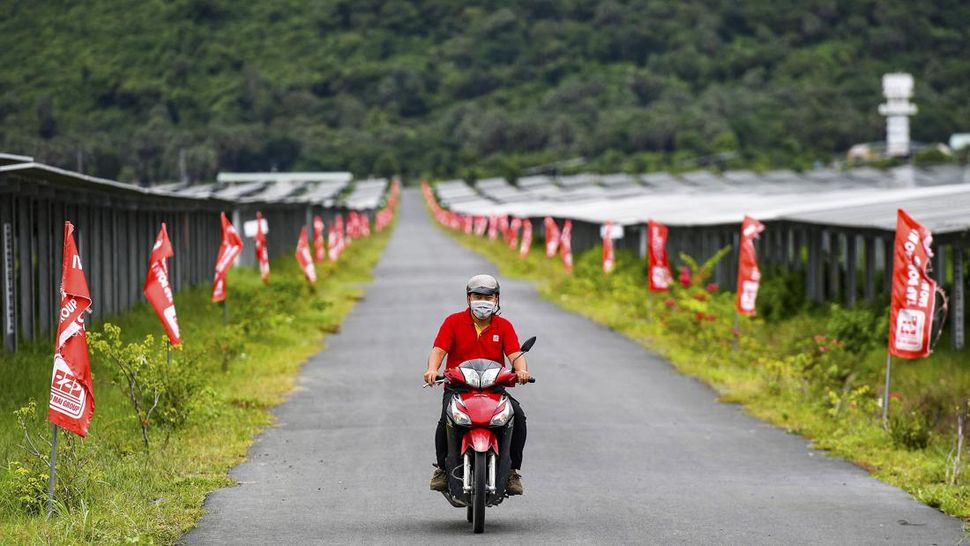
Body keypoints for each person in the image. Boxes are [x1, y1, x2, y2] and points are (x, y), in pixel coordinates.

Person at [425, 274, 530, 495]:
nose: (483, 301)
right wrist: (433, 369)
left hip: (494, 388)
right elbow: (438, 350)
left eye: (488, 296)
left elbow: (515, 354)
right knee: (446, 419)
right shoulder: (453, 321)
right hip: (459, 388)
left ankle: (512, 471)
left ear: (496, 300)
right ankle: (442, 469)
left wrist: (521, 371)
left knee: (517, 417)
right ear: (468, 298)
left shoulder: (503, 326)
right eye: (478, 296)